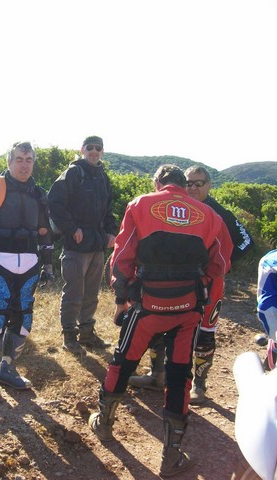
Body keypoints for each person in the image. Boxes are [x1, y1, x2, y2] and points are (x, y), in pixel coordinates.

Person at [88, 165, 232, 477]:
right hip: (188, 309)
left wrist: (121, 298)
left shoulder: (140, 204)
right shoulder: (210, 215)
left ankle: (104, 424)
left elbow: (122, 256)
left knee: (123, 362)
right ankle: (172, 454)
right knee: (180, 375)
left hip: (149, 306)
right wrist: (199, 286)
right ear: (184, 185)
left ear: (157, 182)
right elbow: (221, 262)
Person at [129, 165, 254, 404]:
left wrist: (221, 265)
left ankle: (199, 386)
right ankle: (157, 375)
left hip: (209, 283)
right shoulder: (173, 206)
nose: (193, 187)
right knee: (160, 323)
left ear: (209, 185)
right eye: (188, 183)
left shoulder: (219, 212)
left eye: (199, 183)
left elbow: (246, 241)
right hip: (174, 280)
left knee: (205, 331)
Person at [0, 141, 54, 398]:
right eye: (19, 159)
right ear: (9, 162)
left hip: (29, 264)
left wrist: (48, 265)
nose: (24, 165)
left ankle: (7, 369)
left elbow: (44, 231)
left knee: (24, 318)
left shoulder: (39, 192)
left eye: (29, 160)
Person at [47, 135, 119, 355]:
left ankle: (87, 334)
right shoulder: (73, 173)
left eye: (98, 148)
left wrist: (111, 232)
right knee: (74, 293)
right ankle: (69, 337)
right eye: (90, 147)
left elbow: (108, 209)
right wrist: (71, 229)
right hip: (76, 245)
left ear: (102, 151)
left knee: (91, 293)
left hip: (97, 244)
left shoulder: (102, 177)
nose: (94, 151)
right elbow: (54, 203)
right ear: (82, 149)